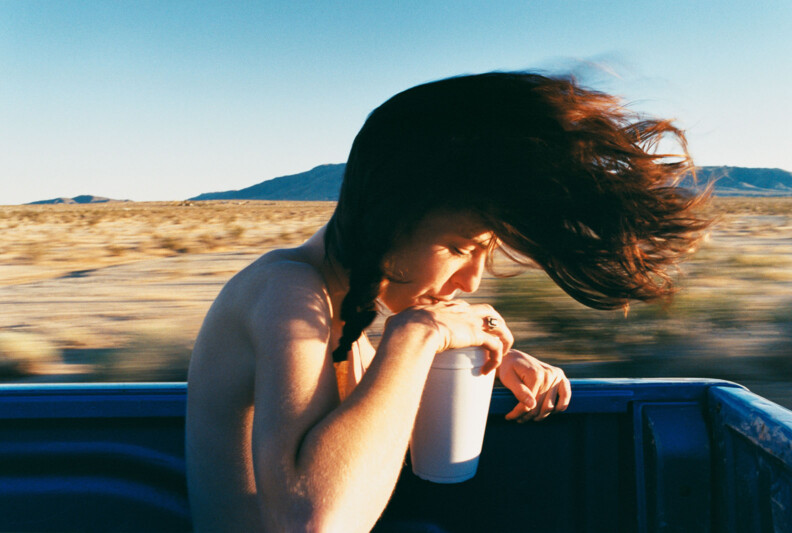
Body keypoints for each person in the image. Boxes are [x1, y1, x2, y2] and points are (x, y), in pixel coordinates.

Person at [185, 71, 709, 532]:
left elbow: (366, 440)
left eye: (486, 251)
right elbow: (313, 522)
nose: (471, 281)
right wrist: (419, 336)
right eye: (460, 247)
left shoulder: (341, 309)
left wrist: (465, 363)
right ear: (388, 217)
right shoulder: (288, 291)